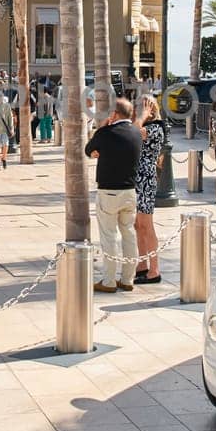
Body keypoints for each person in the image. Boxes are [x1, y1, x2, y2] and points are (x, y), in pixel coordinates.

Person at [85, 99, 143, 293]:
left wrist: (102, 126)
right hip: (129, 191)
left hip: (109, 191)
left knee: (108, 236)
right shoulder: (136, 133)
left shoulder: (106, 133)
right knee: (129, 234)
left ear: (115, 114)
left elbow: (88, 149)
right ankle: (128, 278)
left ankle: (109, 280)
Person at [133, 95, 166, 285]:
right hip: (138, 178)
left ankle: (154, 270)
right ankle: (142, 264)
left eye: (142, 106)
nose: (138, 109)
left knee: (146, 224)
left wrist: (143, 116)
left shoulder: (155, 128)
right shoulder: (145, 125)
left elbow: (133, 132)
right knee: (138, 225)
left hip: (145, 178)